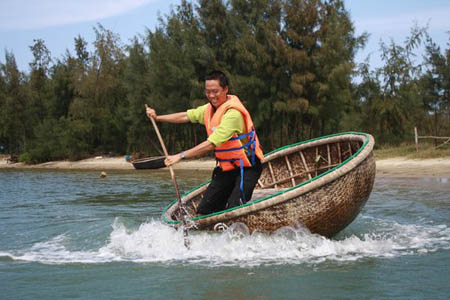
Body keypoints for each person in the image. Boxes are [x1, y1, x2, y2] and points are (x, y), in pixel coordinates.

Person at [145, 70, 264, 215]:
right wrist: (158, 118)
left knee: (234, 209)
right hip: (227, 167)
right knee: (204, 210)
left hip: (248, 166)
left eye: (215, 91)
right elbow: (185, 116)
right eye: (208, 92)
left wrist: (180, 155)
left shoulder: (233, 113)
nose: (211, 96)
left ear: (225, 89)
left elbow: (211, 144)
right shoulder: (208, 110)